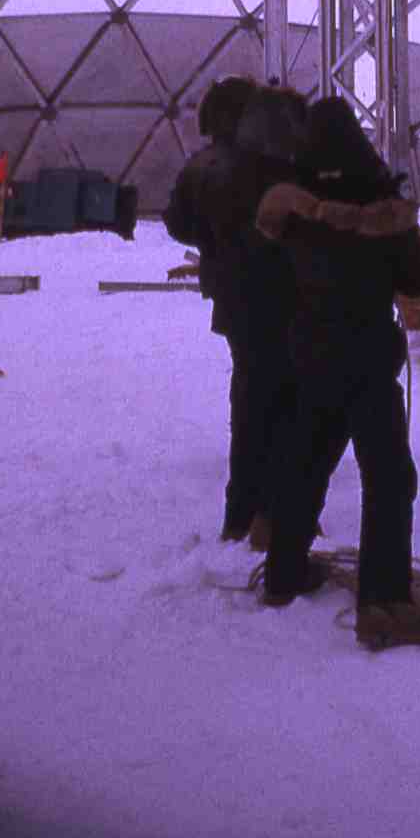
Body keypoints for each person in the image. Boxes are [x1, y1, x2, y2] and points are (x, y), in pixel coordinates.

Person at [255, 97, 420, 649]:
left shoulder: (290, 210)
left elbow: (271, 275)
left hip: (311, 352)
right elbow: (418, 279)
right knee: (389, 476)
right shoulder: (381, 211)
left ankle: (283, 575)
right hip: (366, 354)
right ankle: (384, 601)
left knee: (307, 461)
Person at [162, 78, 305, 548]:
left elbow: (176, 223)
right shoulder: (264, 167)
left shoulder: (201, 167)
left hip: (231, 299)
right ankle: (266, 512)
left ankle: (242, 512)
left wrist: (214, 242)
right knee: (280, 402)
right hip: (277, 299)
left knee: (248, 400)